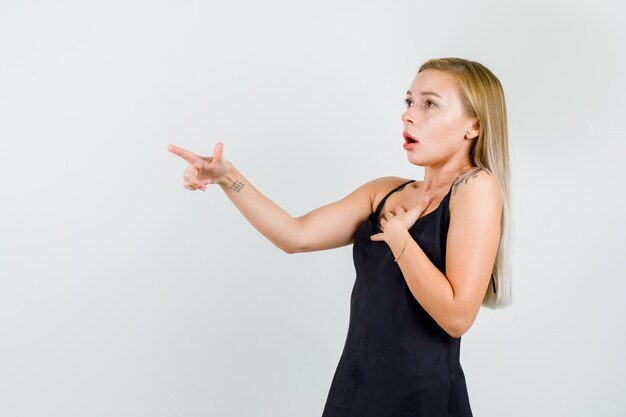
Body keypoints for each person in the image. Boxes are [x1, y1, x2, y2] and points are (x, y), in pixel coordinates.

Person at [167, 57, 511, 417]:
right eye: (409, 102)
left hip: (423, 401)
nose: (408, 115)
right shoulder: (384, 192)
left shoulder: (477, 187)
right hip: (353, 392)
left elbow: (457, 318)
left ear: (473, 125)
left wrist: (400, 240)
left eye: (429, 104)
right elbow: (294, 235)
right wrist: (226, 176)